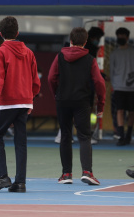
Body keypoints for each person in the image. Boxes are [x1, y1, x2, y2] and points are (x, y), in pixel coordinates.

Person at [0, 16, 41, 192]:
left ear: (1, 34)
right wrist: (30, 100)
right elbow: (35, 81)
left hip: (8, 102)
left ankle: (3, 177)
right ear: (17, 33)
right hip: (25, 102)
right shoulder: (29, 53)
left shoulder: (0, 52)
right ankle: (20, 183)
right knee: (21, 142)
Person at [48, 27, 106, 185]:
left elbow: (51, 77)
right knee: (84, 136)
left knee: (65, 135)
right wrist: (100, 104)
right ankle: (87, 171)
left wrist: (56, 94)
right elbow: (99, 83)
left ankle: (66, 174)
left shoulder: (60, 56)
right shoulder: (90, 59)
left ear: (71, 41)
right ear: (85, 42)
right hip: (82, 101)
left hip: (63, 100)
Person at [110, 27, 134, 146]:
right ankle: (121, 136)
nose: (120, 38)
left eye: (123, 36)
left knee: (131, 111)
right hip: (118, 87)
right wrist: (114, 85)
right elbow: (112, 71)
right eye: (119, 36)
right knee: (120, 110)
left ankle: (128, 134)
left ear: (127, 38)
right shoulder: (114, 53)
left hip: (131, 87)